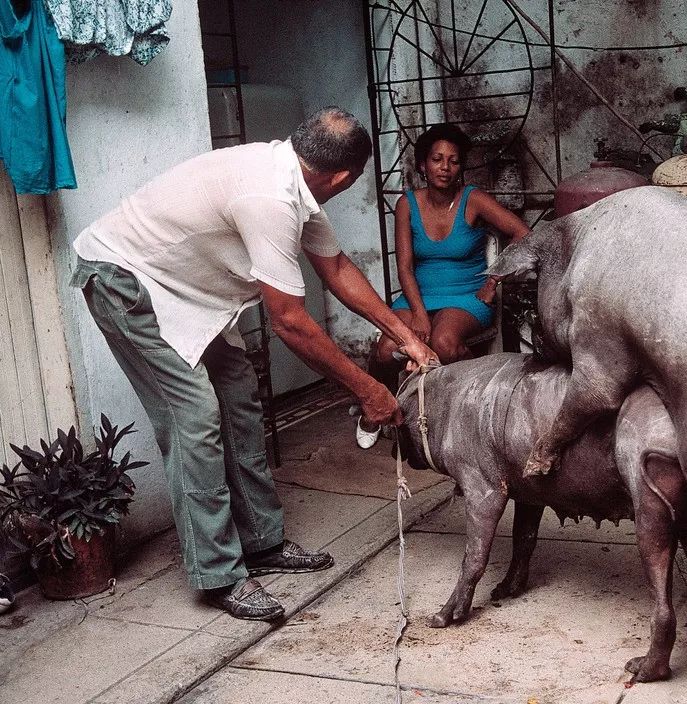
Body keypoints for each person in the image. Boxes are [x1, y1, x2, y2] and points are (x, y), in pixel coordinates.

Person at [70, 106, 439, 621]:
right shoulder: (269, 197)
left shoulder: (294, 177)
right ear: (342, 176)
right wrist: (366, 390)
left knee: (240, 400)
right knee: (195, 418)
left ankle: (262, 544)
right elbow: (289, 322)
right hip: (125, 279)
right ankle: (219, 573)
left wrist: (403, 335)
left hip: (186, 288)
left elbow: (335, 266)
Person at [357, 123, 530, 449]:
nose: (445, 168)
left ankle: (475, 404)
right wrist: (420, 314)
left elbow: (524, 233)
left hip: (466, 295)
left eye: (453, 160)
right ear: (423, 164)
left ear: (461, 166)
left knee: (444, 341)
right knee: (383, 350)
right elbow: (405, 267)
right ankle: (377, 406)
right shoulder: (407, 204)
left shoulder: (473, 198)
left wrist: (493, 281)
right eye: (437, 159)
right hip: (417, 295)